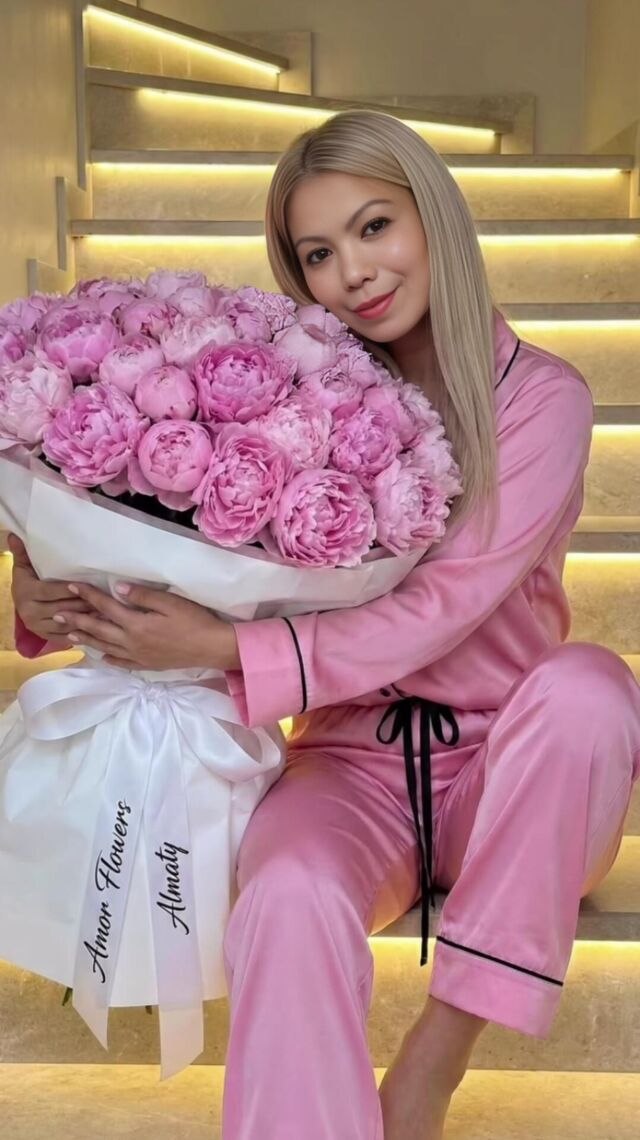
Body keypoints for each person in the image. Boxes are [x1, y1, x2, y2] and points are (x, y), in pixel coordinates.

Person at [10, 110, 640, 1140]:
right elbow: (170, 528)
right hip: (348, 765)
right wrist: (49, 587)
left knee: (588, 688)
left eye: (374, 226)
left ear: (433, 217)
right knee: (289, 891)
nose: (353, 271)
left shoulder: (544, 402)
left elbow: (441, 607)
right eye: (317, 253)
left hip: (520, 779)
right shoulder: (296, 401)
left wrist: (227, 650)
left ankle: (432, 1067)